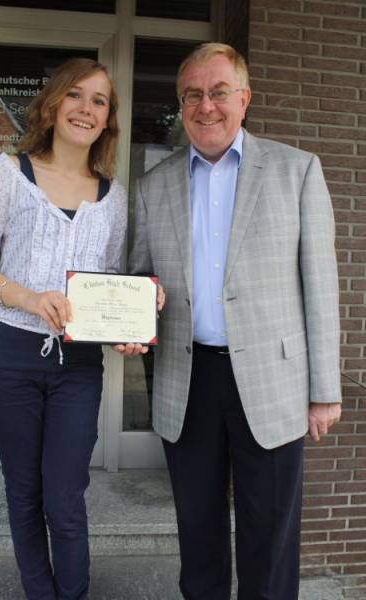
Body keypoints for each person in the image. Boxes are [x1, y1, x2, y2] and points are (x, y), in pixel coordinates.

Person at [116, 43, 342, 600]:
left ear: (244, 98)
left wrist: (324, 392)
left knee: (271, 536)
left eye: (218, 91)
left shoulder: (297, 170)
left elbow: (321, 287)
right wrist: (133, 322)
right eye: (192, 94)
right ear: (180, 104)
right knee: (199, 533)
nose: (205, 105)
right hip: (186, 381)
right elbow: (141, 278)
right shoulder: (154, 185)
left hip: (272, 384)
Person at [0, 57, 127, 600]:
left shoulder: (113, 198)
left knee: (65, 494)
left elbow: (107, 287)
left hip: (77, 367)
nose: (86, 108)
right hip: (10, 357)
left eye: (99, 101)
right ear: (54, 104)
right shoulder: (5, 174)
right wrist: (30, 298)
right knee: (24, 491)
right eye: (76, 95)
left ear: (108, 119)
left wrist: (129, 327)